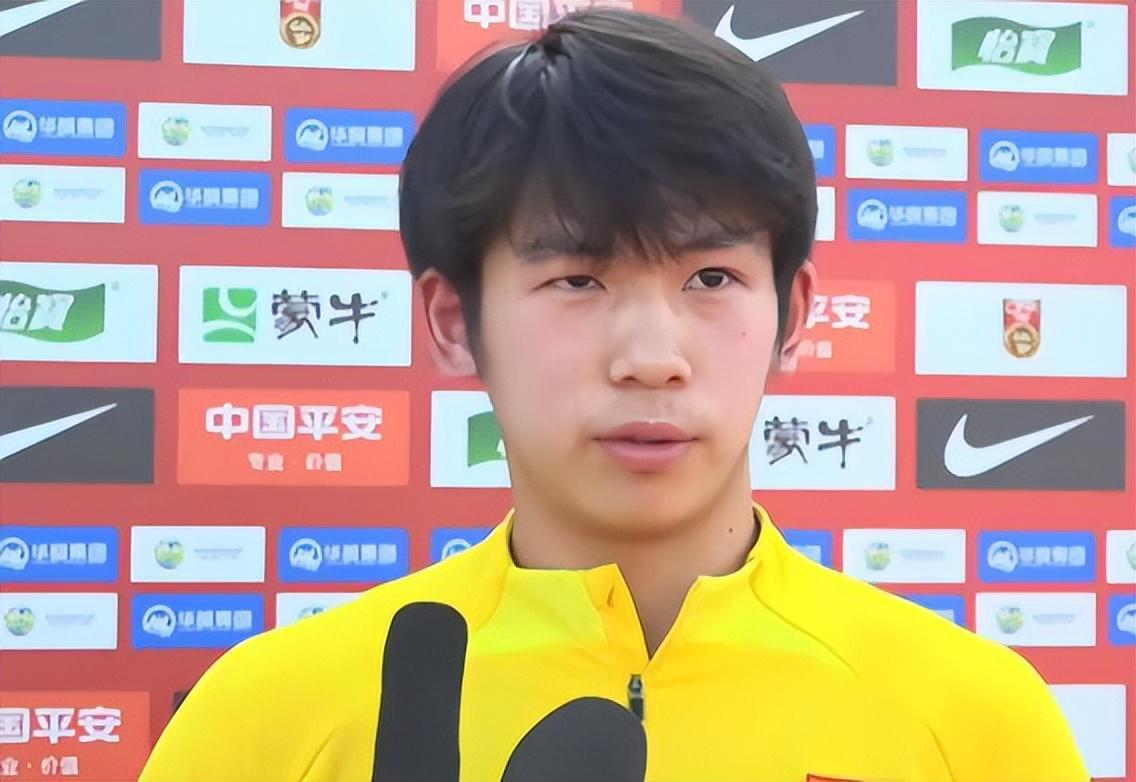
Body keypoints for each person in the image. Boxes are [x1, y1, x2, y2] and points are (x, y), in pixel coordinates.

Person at [138, 8, 1089, 782]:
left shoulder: (972, 717)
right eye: (577, 280)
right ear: (454, 321)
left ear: (793, 315)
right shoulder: (272, 714)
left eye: (711, 278)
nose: (651, 358)